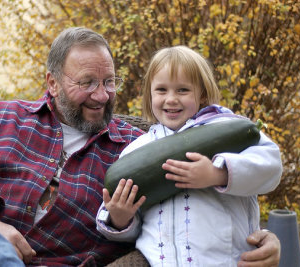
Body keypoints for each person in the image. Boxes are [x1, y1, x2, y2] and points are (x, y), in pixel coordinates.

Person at [0, 27, 280, 267]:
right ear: (52, 83)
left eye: (109, 81)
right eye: (87, 82)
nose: (101, 95)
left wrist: (263, 238)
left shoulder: (137, 150)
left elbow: (194, 202)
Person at [96, 46, 282, 266]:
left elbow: (271, 165)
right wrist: (120, 219)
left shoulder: (228, 128)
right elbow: (129, 227)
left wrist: (217, 174)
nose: (171, 99)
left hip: (227, 260)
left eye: (182, 90)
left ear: (202, 93)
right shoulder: (137, 150)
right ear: (150, 95)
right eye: (161, 90)